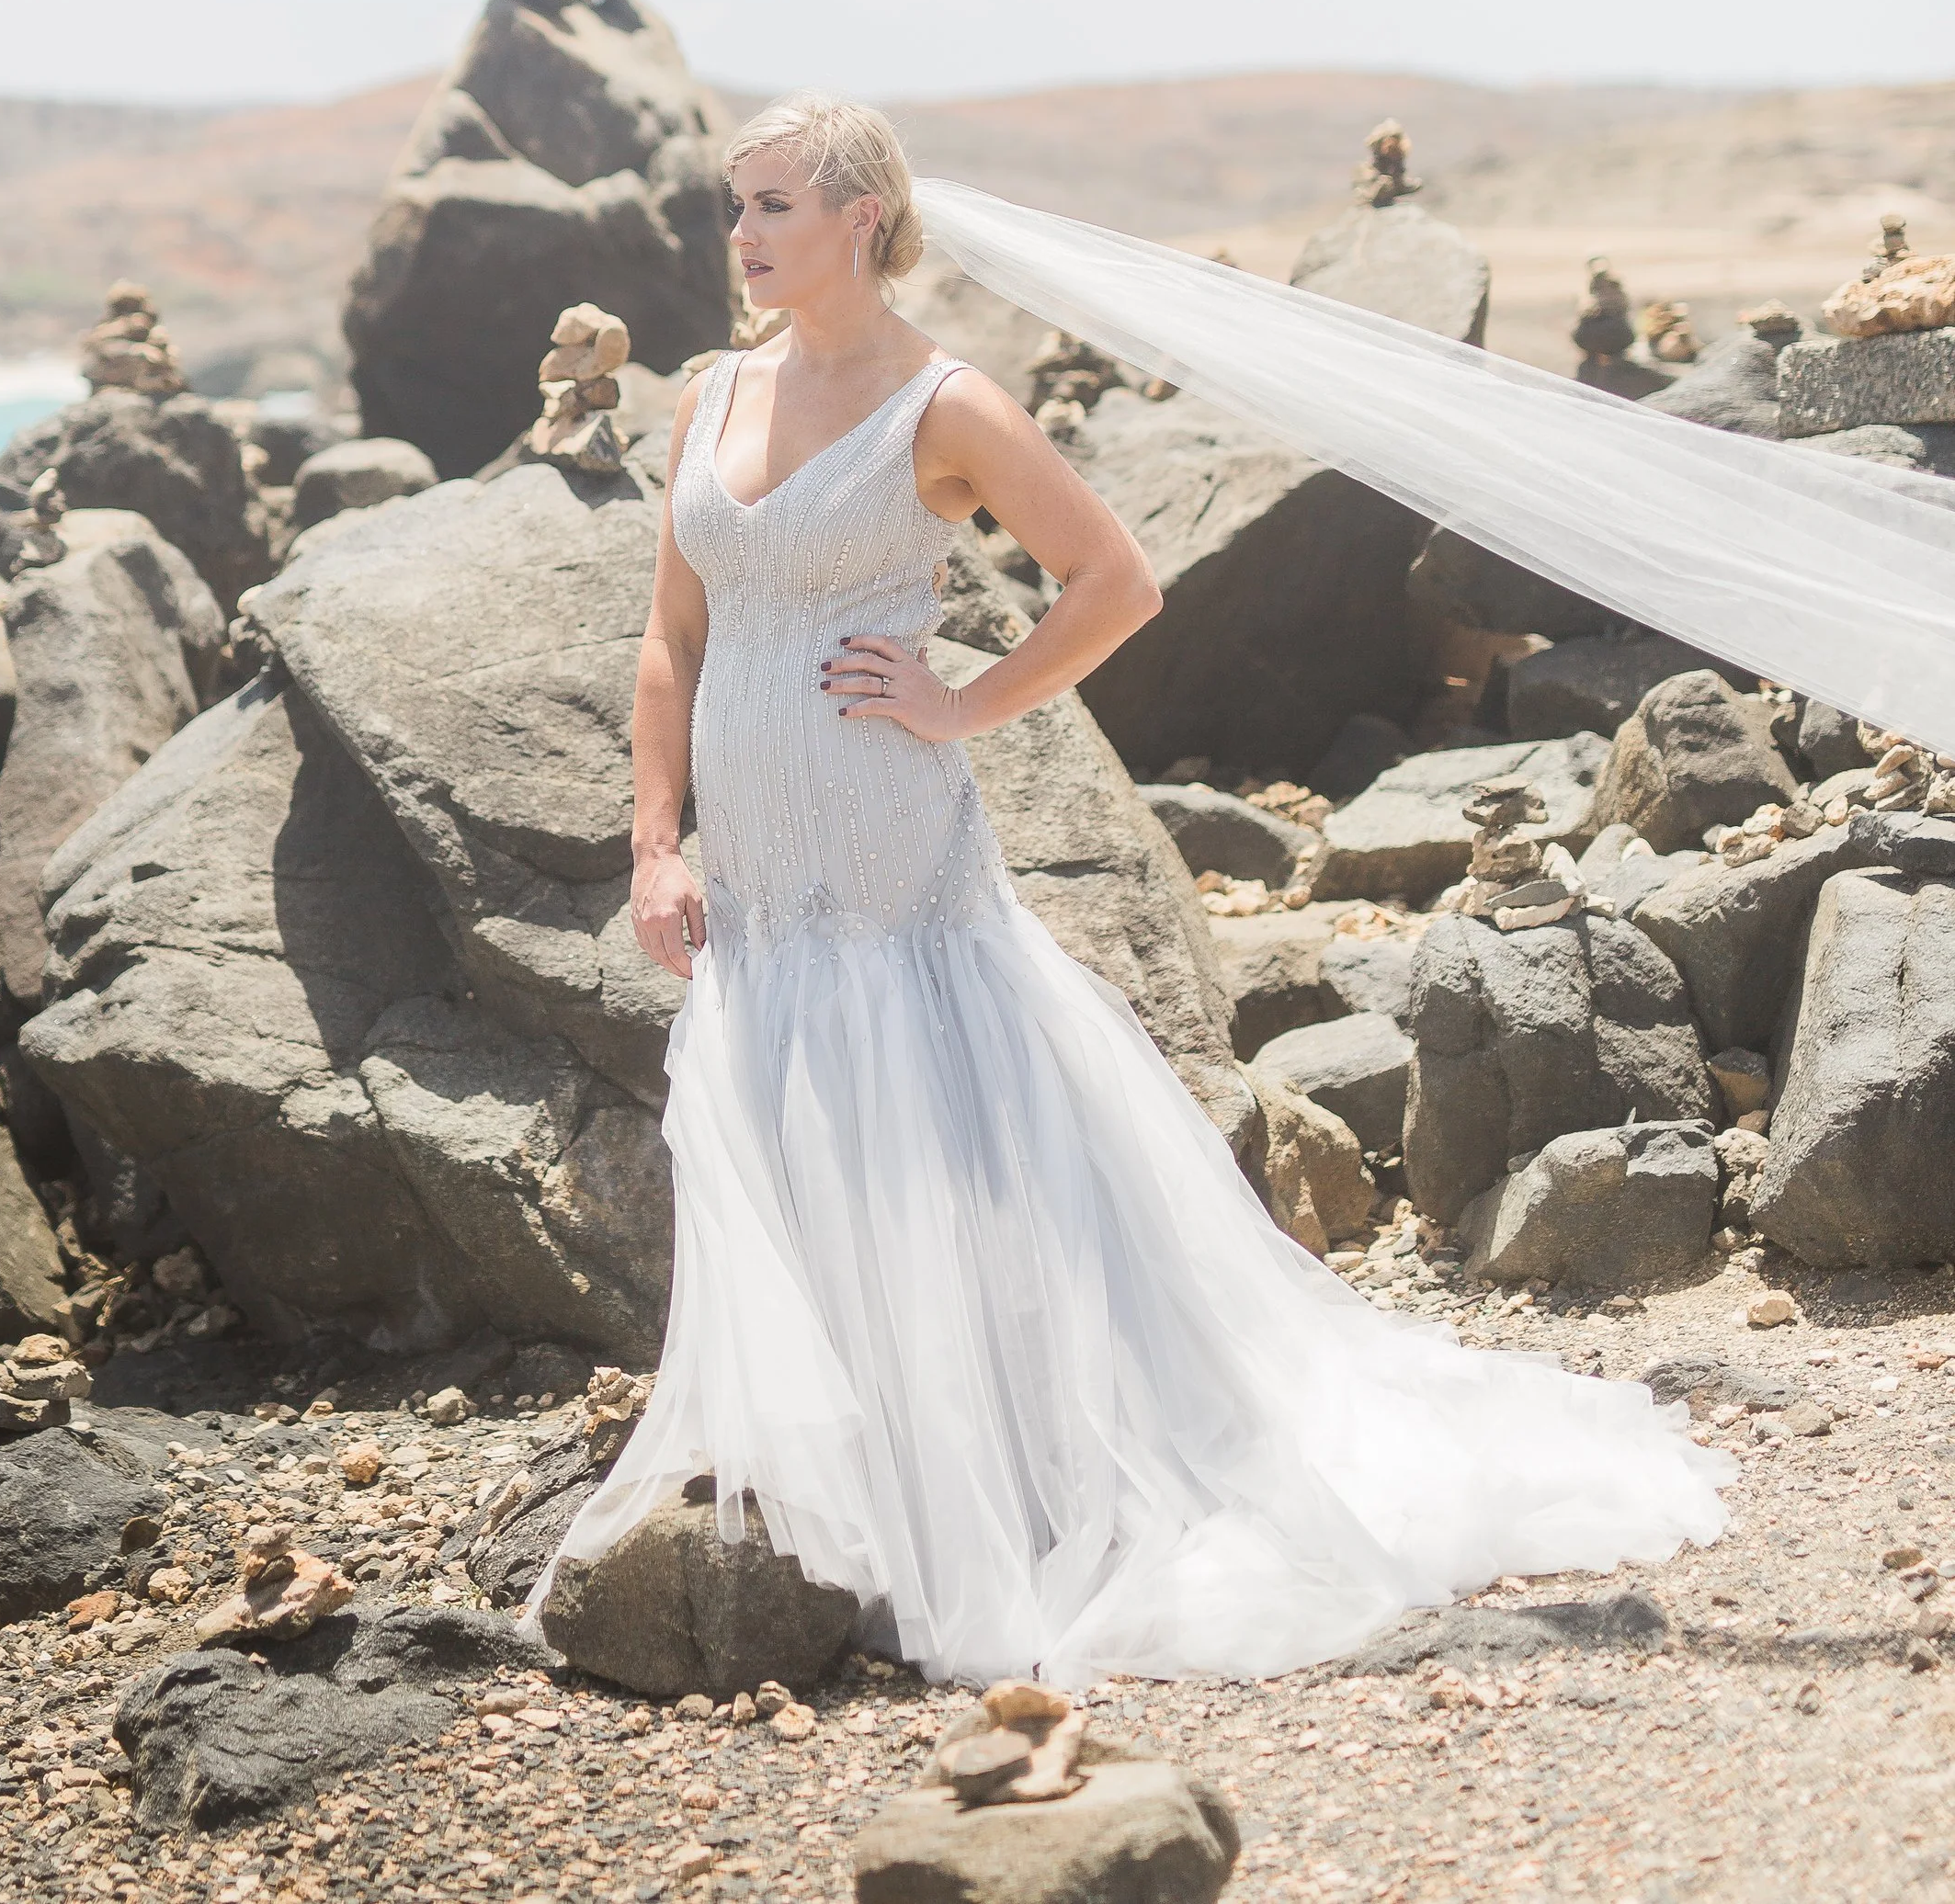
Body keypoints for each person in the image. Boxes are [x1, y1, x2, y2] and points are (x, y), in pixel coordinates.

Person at [530, 96, 1727, 1685]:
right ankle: (874, 1468)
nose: (740, 237)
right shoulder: (711, 393)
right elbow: (669, 637)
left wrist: (963, 701)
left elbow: (1118, 581)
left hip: (889, 829)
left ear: (861, 220)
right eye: (732, 207)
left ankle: (1023, 1474)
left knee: (933, 1120)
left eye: (768, 207)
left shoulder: (942, 405)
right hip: (751, 847)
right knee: (791, 1119)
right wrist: (657, 838)